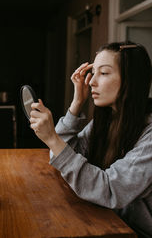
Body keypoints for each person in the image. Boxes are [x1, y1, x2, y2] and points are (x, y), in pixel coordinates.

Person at [29, 41, 152, 238]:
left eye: (103, 73)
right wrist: (76, 103)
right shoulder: (106, 120)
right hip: (106, 220)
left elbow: (111, 189)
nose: (92, 81)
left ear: (131, 79)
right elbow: (66, 158)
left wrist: (53, 138)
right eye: (92, 72)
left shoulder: (149, 135)